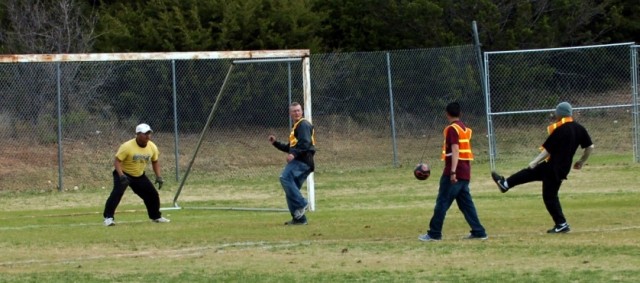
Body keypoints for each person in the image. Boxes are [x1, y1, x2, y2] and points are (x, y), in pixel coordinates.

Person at [491, 102, 594, 234]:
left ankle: (561, 224)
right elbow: (590, 147)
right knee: (529, 173)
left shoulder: (560, 129)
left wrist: (534, 161)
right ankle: (505, 184)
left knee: (549, 196)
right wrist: (581, 161)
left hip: (553, 167)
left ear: (560, 114)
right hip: (561, 167)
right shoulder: (579, 128)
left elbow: (548, 151)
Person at [418, 102, 488, 241]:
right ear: (460, 113)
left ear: (447, 114)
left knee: (442, 202)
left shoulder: (452, 129)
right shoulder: (464, 129)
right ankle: (479, 232)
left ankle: (434, 233)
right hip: (465, 171)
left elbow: (455, 149)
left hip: (454, 172)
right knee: (466, 205)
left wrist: (452, 172)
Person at [103, 123, 170, 226]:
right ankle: (108, 218)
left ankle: (155, 216)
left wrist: (159, 176)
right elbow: (117, 161)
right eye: (145, 134)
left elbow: (155, 161)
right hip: (123, 173)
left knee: (152, 194)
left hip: (139, 175)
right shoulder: (127, 146)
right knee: (117, 193)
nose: (148, 136)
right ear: (138, 134)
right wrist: (121, 176)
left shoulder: (152, 147)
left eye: (149, 133)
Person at [268, 102, 316, 225]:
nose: (296, 113)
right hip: (303, 161)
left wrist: (294, 155)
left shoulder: (303, 125)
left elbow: (305, 144)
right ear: (290, 114)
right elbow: (290, 148)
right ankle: (299, 219)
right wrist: (275, 143)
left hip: (302, 160)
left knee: (284, 177)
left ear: (302, 111)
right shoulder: (296, 127)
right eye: (294, 111)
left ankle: (303, 203)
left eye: (298, 110)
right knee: (291, 190)